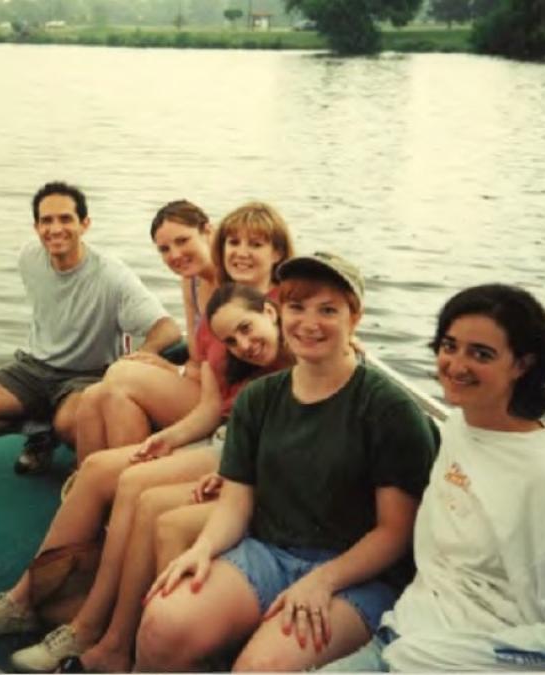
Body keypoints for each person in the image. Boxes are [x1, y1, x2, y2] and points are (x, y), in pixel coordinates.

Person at [0, 283, 291, 673]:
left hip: (238, 459)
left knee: (138, 489)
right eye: (233, 339)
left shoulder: (302, 352)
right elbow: (210, 411)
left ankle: (99, 632)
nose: (243, 344)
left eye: (247, 330)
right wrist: (168, 437)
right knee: (99, 469)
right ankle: (25, 600)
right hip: (222, 441)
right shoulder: (232, 349)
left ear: (271, 310)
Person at [136, 251, 438, 672]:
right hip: (269, 552)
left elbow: (395, 533)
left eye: (328, 310)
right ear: (278, 312)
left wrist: (323, 580)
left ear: (355, 316)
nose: (309, 323)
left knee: (260, 668)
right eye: (296, 308)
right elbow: (236, 503)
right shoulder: (259, 399)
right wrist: (203, 548)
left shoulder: (388, 409)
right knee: (162, 625)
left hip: (357, 576)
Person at [325, 284, 545, 672]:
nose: (457, 366)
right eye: (449, 346)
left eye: (481, 354)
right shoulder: (463, 427)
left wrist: (431, 656)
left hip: (459, 659)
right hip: (403, 632)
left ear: (522, 365)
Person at [0, 181, 181, 472]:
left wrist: (143, 356)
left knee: (72, 427)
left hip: (87, 376)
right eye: (46, 221)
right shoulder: (29, 257)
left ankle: (57, 430)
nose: (55, 229)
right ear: (36, 227)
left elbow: (167, 328)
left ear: (85, 224)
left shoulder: (112, 276)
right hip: (33, 367)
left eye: (66, 219)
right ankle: (41, 432)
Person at [74, 200, 294, 460]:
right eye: (165, 249)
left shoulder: (242, 295)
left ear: (208, 233)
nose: (175, 255)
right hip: (203, 384)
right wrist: (171, 370)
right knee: (93, 396)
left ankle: (124, 472)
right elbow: (198, 357)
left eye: (183, 241)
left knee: (120, 378)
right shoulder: (192, 282)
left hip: (223, 402)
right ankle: (93, 476)